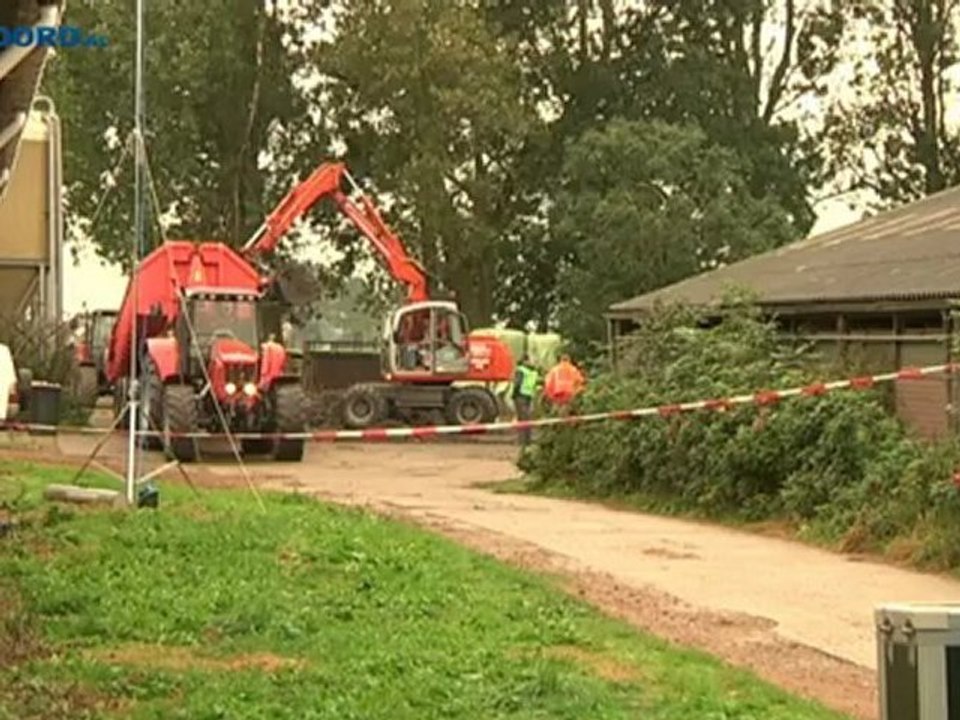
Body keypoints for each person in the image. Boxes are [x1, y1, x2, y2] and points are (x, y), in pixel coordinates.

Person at [512, 355, 539, 445]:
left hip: (520, 396)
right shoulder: (533, 372)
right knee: (527, 419)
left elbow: (517, 383)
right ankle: (527, 440)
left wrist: (513, 395)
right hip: (529, 396)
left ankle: (522, 441)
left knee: (522, 420)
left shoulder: (520, 370)